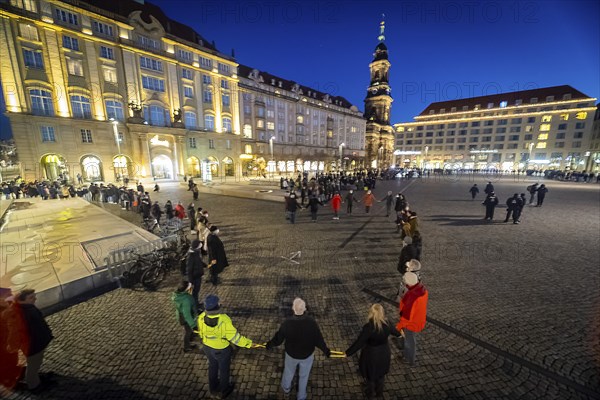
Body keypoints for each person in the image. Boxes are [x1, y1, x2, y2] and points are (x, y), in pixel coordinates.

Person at [266, 298, 331, 400]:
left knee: (288, 372)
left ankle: (286, 390)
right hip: (307, 355)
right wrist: (326, 351)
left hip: (291, 355)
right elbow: (318, 339)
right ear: (304, 309)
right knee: (303, 376)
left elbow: (278, 339)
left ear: (293, 308)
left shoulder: (287, 323)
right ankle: (301, 396)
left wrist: (269, 344)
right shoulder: (311, 322)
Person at [197, 295, 257, 399]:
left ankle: (213, 388)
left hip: (207, 347)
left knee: (212, 367)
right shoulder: (224, 320)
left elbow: (201, 333)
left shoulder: (201, 317)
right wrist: (248, 343)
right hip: (221, 349)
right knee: (224, 370)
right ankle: (224, 391)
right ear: (217, 306)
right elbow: (235, 338)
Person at [345, 304, 401, 398]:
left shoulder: (368, 327)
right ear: (382, 312)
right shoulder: (387, 323)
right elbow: (396, 333)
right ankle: (379, 393)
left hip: (371, 354)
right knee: (381, 375)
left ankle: (370, 394)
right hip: (384, 353)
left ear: (371, 313)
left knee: (370, 375)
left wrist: (347, 353)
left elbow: (359, 343)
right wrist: (400, 334)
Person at [6, 289, 54, 392]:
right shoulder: (18, 313)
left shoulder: (27, 307)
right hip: (32, 345)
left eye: (34, 296)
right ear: (21, 300)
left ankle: (36, 378)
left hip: (38, 342)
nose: (35, 299)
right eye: (31, 297)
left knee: (36, 362)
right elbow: (15, 333)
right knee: (33, 365)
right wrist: (13, 346)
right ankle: (34, 386)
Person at [396, 272, 428, 366]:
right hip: (418, 319)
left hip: (411, 324)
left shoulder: (411, 297)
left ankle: (409, 359)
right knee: (411, 340)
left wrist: (399, 327)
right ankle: (408, 356)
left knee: (409, 342)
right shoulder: (422, 290)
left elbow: (406, 317)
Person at [0, 287, 22, 390]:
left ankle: (13, 372)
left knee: (12, 357)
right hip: (3, 343)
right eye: (7, 296)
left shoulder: (7, 306)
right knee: (5, 360)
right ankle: (8, 381)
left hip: (10, 340)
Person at [172, 281, 198, 353]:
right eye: (190, 287)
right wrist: (193, 325)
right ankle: (186, 347)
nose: (191, 288)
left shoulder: (178, 296)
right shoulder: (186, 299)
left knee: (188, 331)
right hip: (186, 318)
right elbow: (187, 314)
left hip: (181, 316)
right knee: (188, 332)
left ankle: (190, 338)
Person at [186, 239, 206, 309]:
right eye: (200, 244)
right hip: (195, 277)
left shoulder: (196, 252)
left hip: (198, 275)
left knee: (196, 292)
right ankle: (195, 306)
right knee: (195, 292)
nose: (201, 245)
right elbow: (189, 269)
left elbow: (199, 261)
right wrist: (190, 281)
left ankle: (196, 304)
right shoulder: (191, 256)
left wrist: (205, 265)